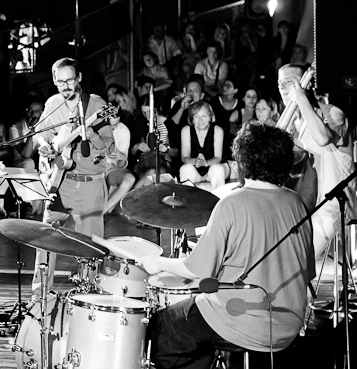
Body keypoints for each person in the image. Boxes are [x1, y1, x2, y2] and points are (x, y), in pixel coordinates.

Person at [138, 122, 315, 368]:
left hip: (242, 319)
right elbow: (307, 271)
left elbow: (197, 270)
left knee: (162, 327)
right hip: (289, 325)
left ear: (242, 161)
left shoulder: (233, 204)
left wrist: (157, 263)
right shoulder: (296, 203)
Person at [30, 58, 114, 296]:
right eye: (60, 82)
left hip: (89, 186)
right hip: (60, 182)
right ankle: (40, 297)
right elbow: (39, 134)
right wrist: (44, 145)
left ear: (79, 78)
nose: (65, 86)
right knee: (45, 240)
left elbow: (108, 146)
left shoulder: (96, 104)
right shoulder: (53, 103)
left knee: (89, 247)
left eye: (69, 80)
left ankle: (88, 299)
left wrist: (90, 133)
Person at [277, 64, 355, 257]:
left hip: (335, 204)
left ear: (306, 84)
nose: (283, 87)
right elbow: (273, 144)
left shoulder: (332, 113)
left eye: (289, 81)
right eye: (279, 84)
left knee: (297, 258)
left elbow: (322, 138)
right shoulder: (293, 122)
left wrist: (301, 98)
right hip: (310, 204)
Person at [179, 101, 226, 190]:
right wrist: (195, 161)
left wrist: (205, 163)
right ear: (192, 119)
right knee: (186, 169)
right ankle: (187, 198)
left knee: (216, 169)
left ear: (210, 117)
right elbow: (184, 157)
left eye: (204, 116)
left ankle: (219, 197)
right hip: (195, 171)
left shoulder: (217, 130)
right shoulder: (186, 130)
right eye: (196, 116)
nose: (200, 120)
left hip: (215, 166)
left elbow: (218, 158)